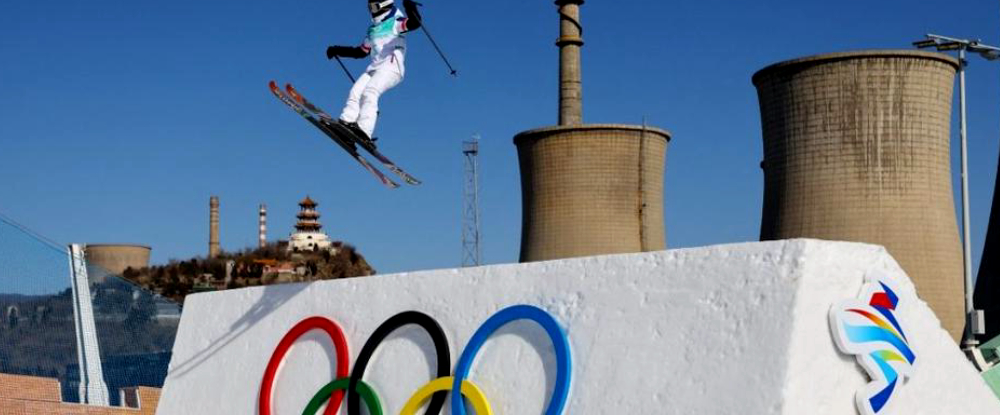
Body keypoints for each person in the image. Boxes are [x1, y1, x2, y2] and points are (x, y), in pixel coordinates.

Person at [326, 0, 422, 146]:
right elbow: (361, 52)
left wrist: (410, 7)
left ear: (382, 5)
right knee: (355, 92)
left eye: (373, 6)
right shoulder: (373, 30)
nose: (370, 10)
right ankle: (346, 124)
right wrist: (337, 49)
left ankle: (364, 130)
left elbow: (415, 23)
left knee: (370, 92)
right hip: (375, 67)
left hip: (391, 67)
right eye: (369, 6)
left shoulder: (394, 22)